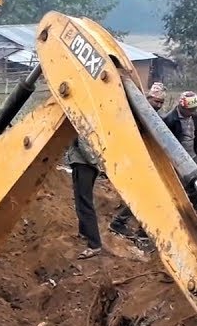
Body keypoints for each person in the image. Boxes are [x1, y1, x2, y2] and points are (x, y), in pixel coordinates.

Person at [108, 82, 168, 239]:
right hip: (132, 159)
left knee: (149, 193)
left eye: (161, 102)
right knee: (143, 194)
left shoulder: (154, 117)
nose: (159, 105)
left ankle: (143, 228)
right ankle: (120, 222)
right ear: (148, 98)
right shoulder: (136, 114)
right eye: (157, 101)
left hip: (145, 160)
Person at [66, 135, 104, 259]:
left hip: (84, 165)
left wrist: (93, 161)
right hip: (84, 165)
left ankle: (94, 245)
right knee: (80, 201)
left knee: (84, 204)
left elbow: (81, 140)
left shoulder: (81, 124)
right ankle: (84, 232)